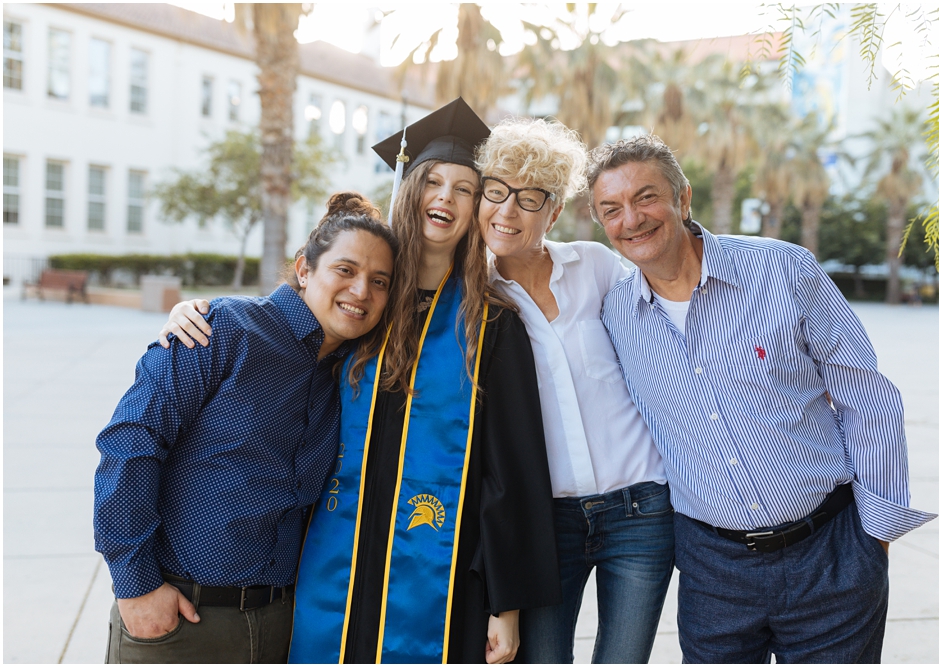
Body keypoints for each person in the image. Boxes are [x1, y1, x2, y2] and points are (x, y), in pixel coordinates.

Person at [158, 98, 561, 664]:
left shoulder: (490, 324)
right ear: (409, 188)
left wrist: (507, 604)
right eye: (432, 181)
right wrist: (196, 313)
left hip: (442, 576)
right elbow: (279, 334)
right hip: (330, 560)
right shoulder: (362, 305)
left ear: (477, 209)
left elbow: (512, 470)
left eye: (465, 188)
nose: (444, 197)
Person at [591, 134, 936, 663]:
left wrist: (875, 540)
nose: (631, 219)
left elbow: (867, 396)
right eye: (610, 209)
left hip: (831, 552)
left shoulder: (784, 270)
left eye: (645, 197)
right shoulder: (616, 314)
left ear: (683, 199)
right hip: (713, 571)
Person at [93, 195, 398, 663]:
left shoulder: (350, 375)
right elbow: (130, 445)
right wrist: (137, 589)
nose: (361, 291)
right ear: (304, 269)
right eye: (345, 270)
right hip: (178, 622)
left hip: (278, 628)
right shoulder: (222, 328)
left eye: (379, 281)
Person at [474, 118, 673, 663]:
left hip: (640, 511)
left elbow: (675, 317)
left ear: (555, 211)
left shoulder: (597, 267)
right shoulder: (470, 300)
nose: (508, 211)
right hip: (545, 522)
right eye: (496, 192)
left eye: (530, 198)